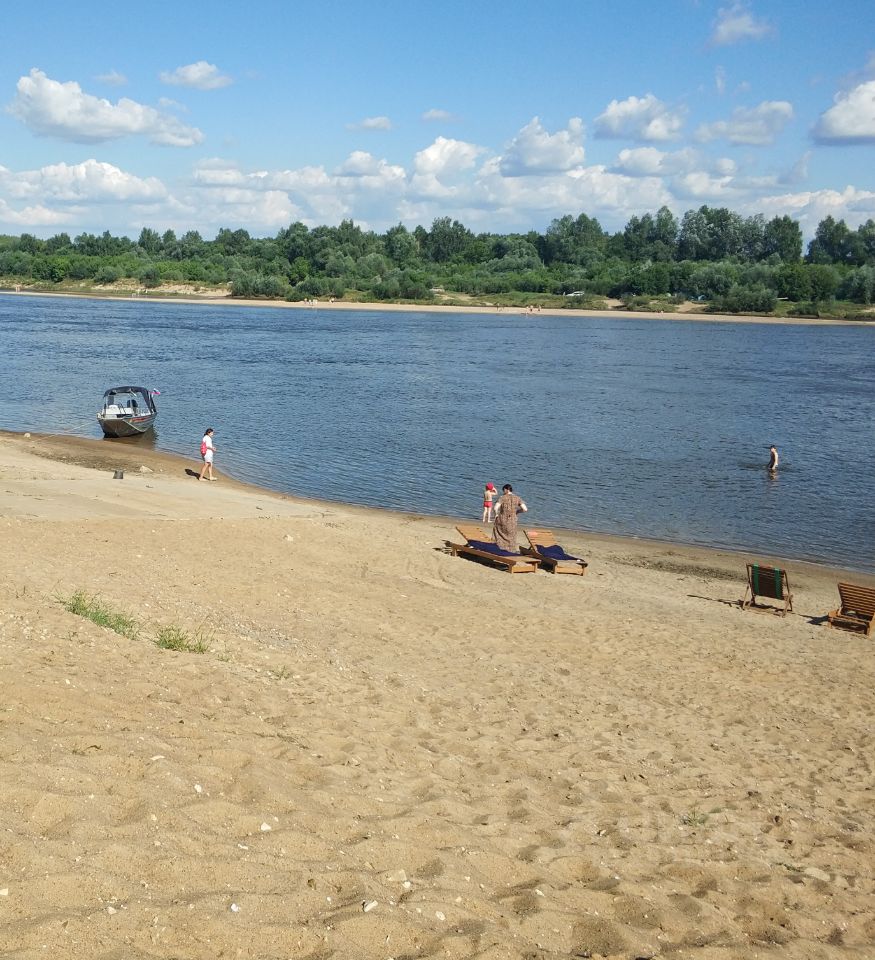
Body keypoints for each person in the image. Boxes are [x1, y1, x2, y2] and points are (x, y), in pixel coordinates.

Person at [492, 484, 527, 552]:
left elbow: (495, 508)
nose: (503, 492)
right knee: (511, 535)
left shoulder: (502, 497)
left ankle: (499, 548)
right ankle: (511, 550)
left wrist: (496, 514)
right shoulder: (517, 498)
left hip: (502, 519)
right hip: (513, 520)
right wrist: (517, 512)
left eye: (503, 490)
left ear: (506, 489)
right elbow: (525, 509)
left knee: (499, 533)